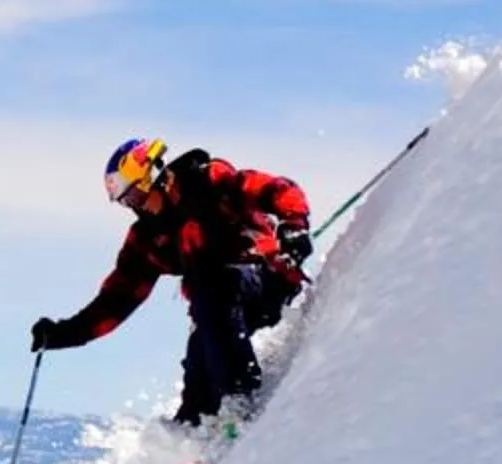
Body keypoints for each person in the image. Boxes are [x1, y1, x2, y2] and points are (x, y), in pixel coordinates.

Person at [31, 136, 314, 425]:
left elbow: (277, 189)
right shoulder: (148, 238)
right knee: (199, 371)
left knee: (211, 286)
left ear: (155, 178)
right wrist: (65, 333)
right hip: (218, 310)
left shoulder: (209, 182)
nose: (136, 207)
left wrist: (294, 227)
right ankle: (198, 431)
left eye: (135, 197)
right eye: (126, 202)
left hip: (267, 279)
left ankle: (239, 400)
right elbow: (117, 298)